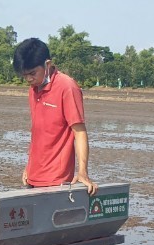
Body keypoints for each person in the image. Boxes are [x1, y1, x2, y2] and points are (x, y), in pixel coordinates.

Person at [12, 37, 96, 194]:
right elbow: (39, 132)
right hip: (33, 177)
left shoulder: (67, 87)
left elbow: (79, 132)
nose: (29, 79)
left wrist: (82, 172)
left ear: (47, 64)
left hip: (57, 181)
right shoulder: (33, 89)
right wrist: (28, 167)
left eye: (32, 73)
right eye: (25, 75)